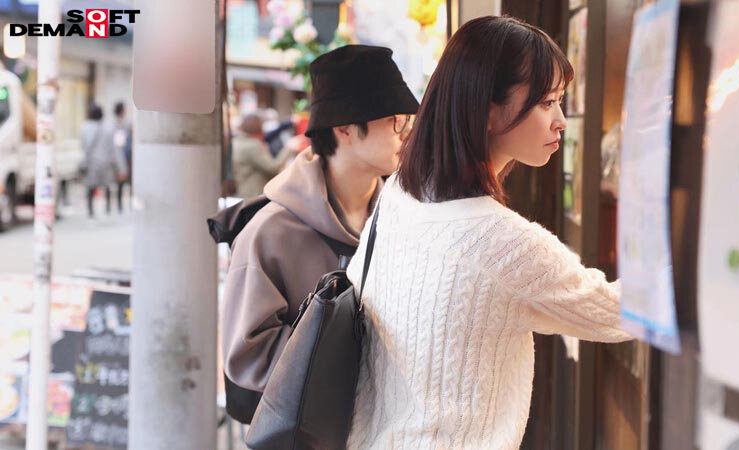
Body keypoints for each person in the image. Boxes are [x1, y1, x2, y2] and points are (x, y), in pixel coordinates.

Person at [345, 17, 632, 449]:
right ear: (489, 110)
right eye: (546, 102)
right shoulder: (500, 242)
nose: (561, 121)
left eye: (559, 101)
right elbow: (620, 312)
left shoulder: (399, 194)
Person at [221, 45, 418, 403]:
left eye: (408, 120)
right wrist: (360, 356)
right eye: (396, 120)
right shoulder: (270, 232)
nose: (406, 132)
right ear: (344, 128)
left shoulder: (404, 216)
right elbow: (248, 354)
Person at [80, 104, 127, 218]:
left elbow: (83, 146)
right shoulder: (108, 128)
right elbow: (114, 149)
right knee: (107, 186)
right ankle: (108, 209)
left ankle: (90, 211)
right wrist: (122, 167)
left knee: (90, 187)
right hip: (106, 162)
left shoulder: (84, 128)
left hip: (91, 162)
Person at [232, 113, 292, 199]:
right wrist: (289, 148)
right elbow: (273, 168)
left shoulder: (236, 141)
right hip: (254, 194)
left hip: (242, 192)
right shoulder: (252, 145)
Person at [112, 101, 132, 212]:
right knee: (123, 182)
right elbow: (120, 143)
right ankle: (122, 205)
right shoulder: (122, 124)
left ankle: (121, 206)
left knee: (121, 182)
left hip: (121, 155)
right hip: (123, 156)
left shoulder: (115, 124)